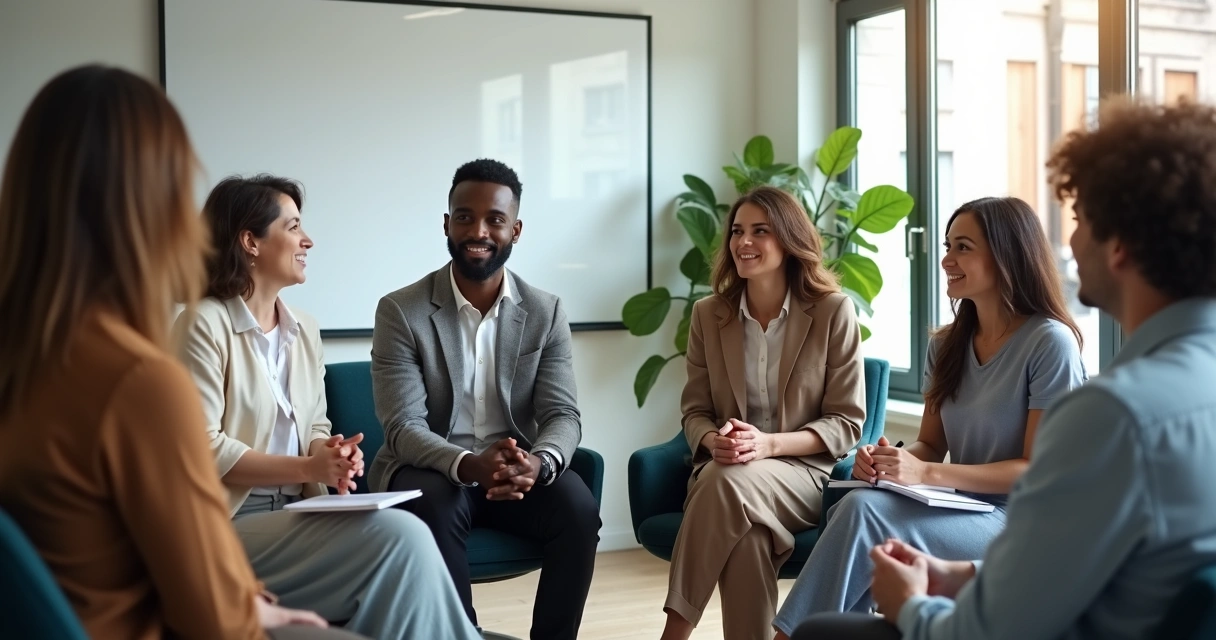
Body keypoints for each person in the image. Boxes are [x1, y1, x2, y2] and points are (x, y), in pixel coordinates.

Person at [793, 97, 1216, 640]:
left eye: (1080, 220)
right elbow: (1082, 563)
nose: (1070, 241)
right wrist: (949, 556)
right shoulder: (1174, 395)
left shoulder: (1112, 414)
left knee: (831, 617)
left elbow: (999, 621)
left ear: (1120, 247)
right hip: (989, 542)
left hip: (1002, 541)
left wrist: (912, 606)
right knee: (859, 516)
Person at [0, 65, 363, 639]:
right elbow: (213, 615)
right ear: (146, 209)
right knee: (392, 555)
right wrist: (259, 609)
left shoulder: (33, 360)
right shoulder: (136, 380)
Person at [174, 174, 480, 640]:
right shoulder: (202, 323)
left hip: (301, 508)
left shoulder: (303, 328)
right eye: (293, 226)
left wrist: (331, 455)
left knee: (402, 546)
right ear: (250, 242)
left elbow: (316, 425)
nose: (307, 240)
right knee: (401, 538)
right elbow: (203, 450)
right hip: (225, 522)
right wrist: (306, 466)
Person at [772, 196, 1086, 638]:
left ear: (1006, 255)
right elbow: (931, 445)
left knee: (866, 514)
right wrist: (886, 462)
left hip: (1023, 523)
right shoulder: (944, 345)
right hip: (958, 508)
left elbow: (1035, 471)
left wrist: (926, 472)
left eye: (963, 247)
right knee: (860, 504)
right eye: (947, 246)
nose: (946, 260)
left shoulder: (1049, 343)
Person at [366, 158, 601, 640]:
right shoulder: (401, 311)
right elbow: (403, 428)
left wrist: (538, 464)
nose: (479, 231)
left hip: (514, 473)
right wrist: (470, 464)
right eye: (465, 217)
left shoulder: (546, 311)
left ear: (515, 230)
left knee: (577, 507)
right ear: (446, 224)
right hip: (433, 470)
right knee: (436, 503)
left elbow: (562, 414)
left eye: (495, 219)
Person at [659, 186, 866, 640]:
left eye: (760, 231)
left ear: (789, 239)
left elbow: (846, 422)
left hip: (805, 475)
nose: (743, 242)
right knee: (746, 535)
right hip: (728, 469)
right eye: (737, 231)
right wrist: (714, 441)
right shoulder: (708, 315)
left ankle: (673, 633)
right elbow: (695, 412)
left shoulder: (833, 311)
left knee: (725, 482)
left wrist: (768, 445)